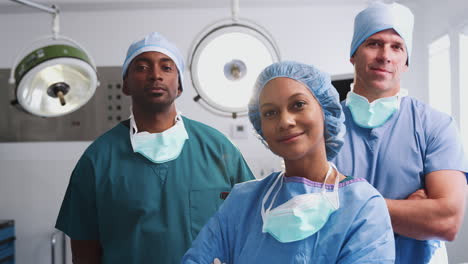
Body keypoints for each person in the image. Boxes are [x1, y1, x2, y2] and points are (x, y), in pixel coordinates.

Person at [55, 32, 254, 264]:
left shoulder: (218, 149)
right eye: (141, 67)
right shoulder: (98, 159)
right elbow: (84, 251)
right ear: (125, 84)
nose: (155, 75)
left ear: (179, 85)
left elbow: (251, 226)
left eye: (167, 68)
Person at [182, 61, 395, 263]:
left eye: (298, 104)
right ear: (260, 126)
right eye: (270, 112)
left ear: (325, 109)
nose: (285, 121)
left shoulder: (363, 207)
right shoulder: (242, 202)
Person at [331, 2, 468, 264]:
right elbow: (308, 210)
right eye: (373, 43)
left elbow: (447, 221)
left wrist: (346, 205)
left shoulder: (436, 126)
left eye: (397, 46)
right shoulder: (323, 126)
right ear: (353, 54)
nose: (385, 55)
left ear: (406, 61)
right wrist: (410, 210)